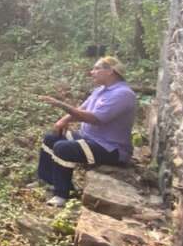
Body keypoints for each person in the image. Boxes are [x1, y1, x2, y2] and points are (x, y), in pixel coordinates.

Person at [36, 56, 137, 207]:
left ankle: (62, 194)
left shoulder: (123, 94)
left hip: (110, 148)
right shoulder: (100, 91)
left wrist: (60, 104)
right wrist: (63, 121)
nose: (92, 72)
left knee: (62, 148)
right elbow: (81, 110)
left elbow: (96, 119)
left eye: (97, 68)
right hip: (89, 138)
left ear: (110, 71)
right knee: (52, 138)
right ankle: (48, 180)